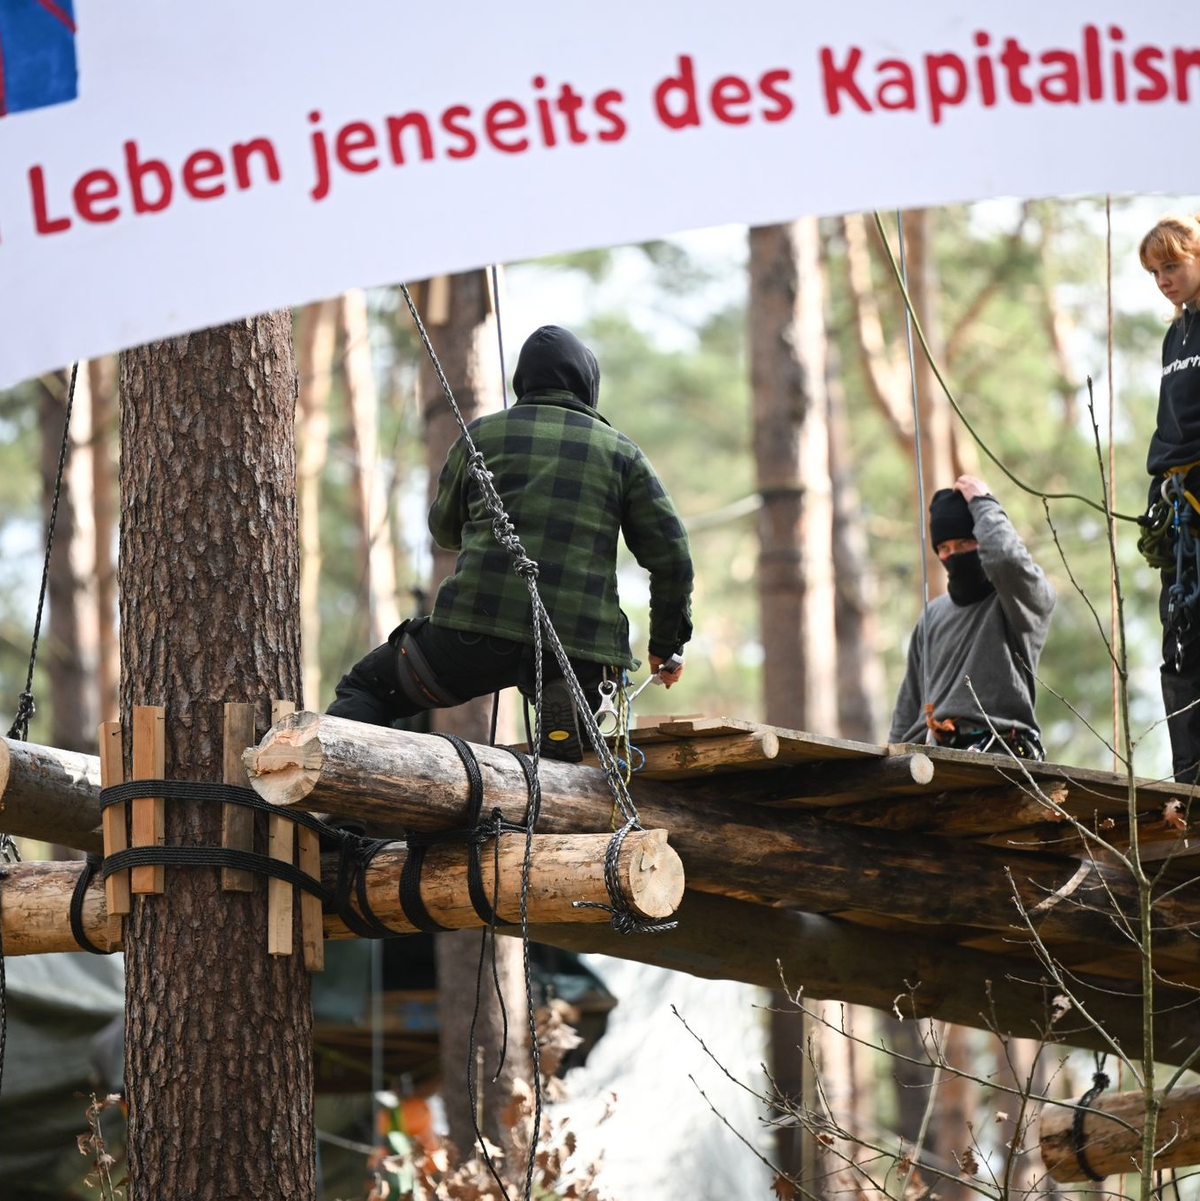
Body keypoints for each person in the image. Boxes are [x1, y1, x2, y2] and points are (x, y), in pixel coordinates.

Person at [327, 324, 694, 761]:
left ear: (523, 380)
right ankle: (566, 707)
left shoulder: (479, 436)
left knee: (368, 688)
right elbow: (673, 559)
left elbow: (444, 531)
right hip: (578, 644)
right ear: (587, 384)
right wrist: (664, 646)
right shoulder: (622, 454)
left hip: (473, 631)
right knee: (573, 729)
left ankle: (337, 787)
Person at [888, 476, 1055, 757]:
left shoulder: (1021, 602)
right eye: (944, 548)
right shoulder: (932, 615)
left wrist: (984, 504)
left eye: (965, 543)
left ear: (982, 540)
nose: (954, 555)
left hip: (1000, 751)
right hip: (931, 756)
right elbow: (907, 709)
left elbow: (1006, 560)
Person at [1139, 214, 1200, 782]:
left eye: (1173, 265)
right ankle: (1192, 779)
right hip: (1179, 507)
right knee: (1180, 637)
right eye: (1155, 271)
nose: (1163, 279)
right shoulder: (1174, 335)